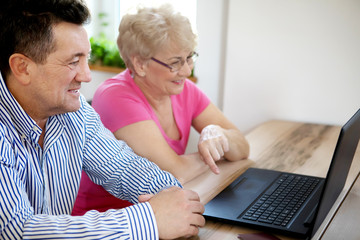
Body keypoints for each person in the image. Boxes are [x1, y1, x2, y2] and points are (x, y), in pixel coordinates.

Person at [0, 0, 205, 239]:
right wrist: (150, 219)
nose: (87, 76)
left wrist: (172, 198)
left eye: (87, 59)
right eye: (73, 62)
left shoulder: (75, 114)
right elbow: (16, 229)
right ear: (22, 67)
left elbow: (124, 168)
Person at [73, 5, 250, 215]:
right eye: (175, 63)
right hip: (111, 219)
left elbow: (243, 147)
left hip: (162, 211)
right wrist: (216, 152)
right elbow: (173, 171)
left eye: (189, 57)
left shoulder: (184, 90)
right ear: (140, 64)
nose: (186, 70)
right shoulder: (114, 95)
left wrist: (219, 135)